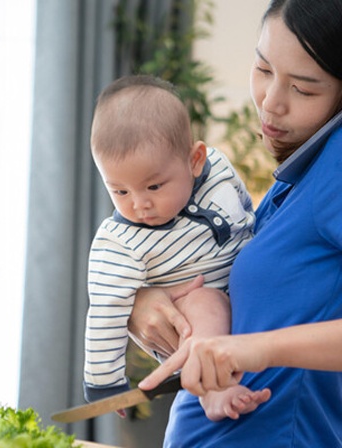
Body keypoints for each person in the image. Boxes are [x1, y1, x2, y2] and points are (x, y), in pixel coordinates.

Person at [129, 0, 342, 446]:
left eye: (303, 89)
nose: (270, 101)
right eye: (264, 68)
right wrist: (155, 307)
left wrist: (257, 348)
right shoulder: (297, 180)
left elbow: (254, 341)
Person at [83, 75, 270, 419]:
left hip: (249, 301)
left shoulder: (217, 171)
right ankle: (214, 392)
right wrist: (104, 384)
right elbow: (105, 311)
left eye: (153, 186)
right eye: (120, 191)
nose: (139, 204)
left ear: (195, 160)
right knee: (204, 301)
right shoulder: (118, 243)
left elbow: (247, 210)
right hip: (189, 315)